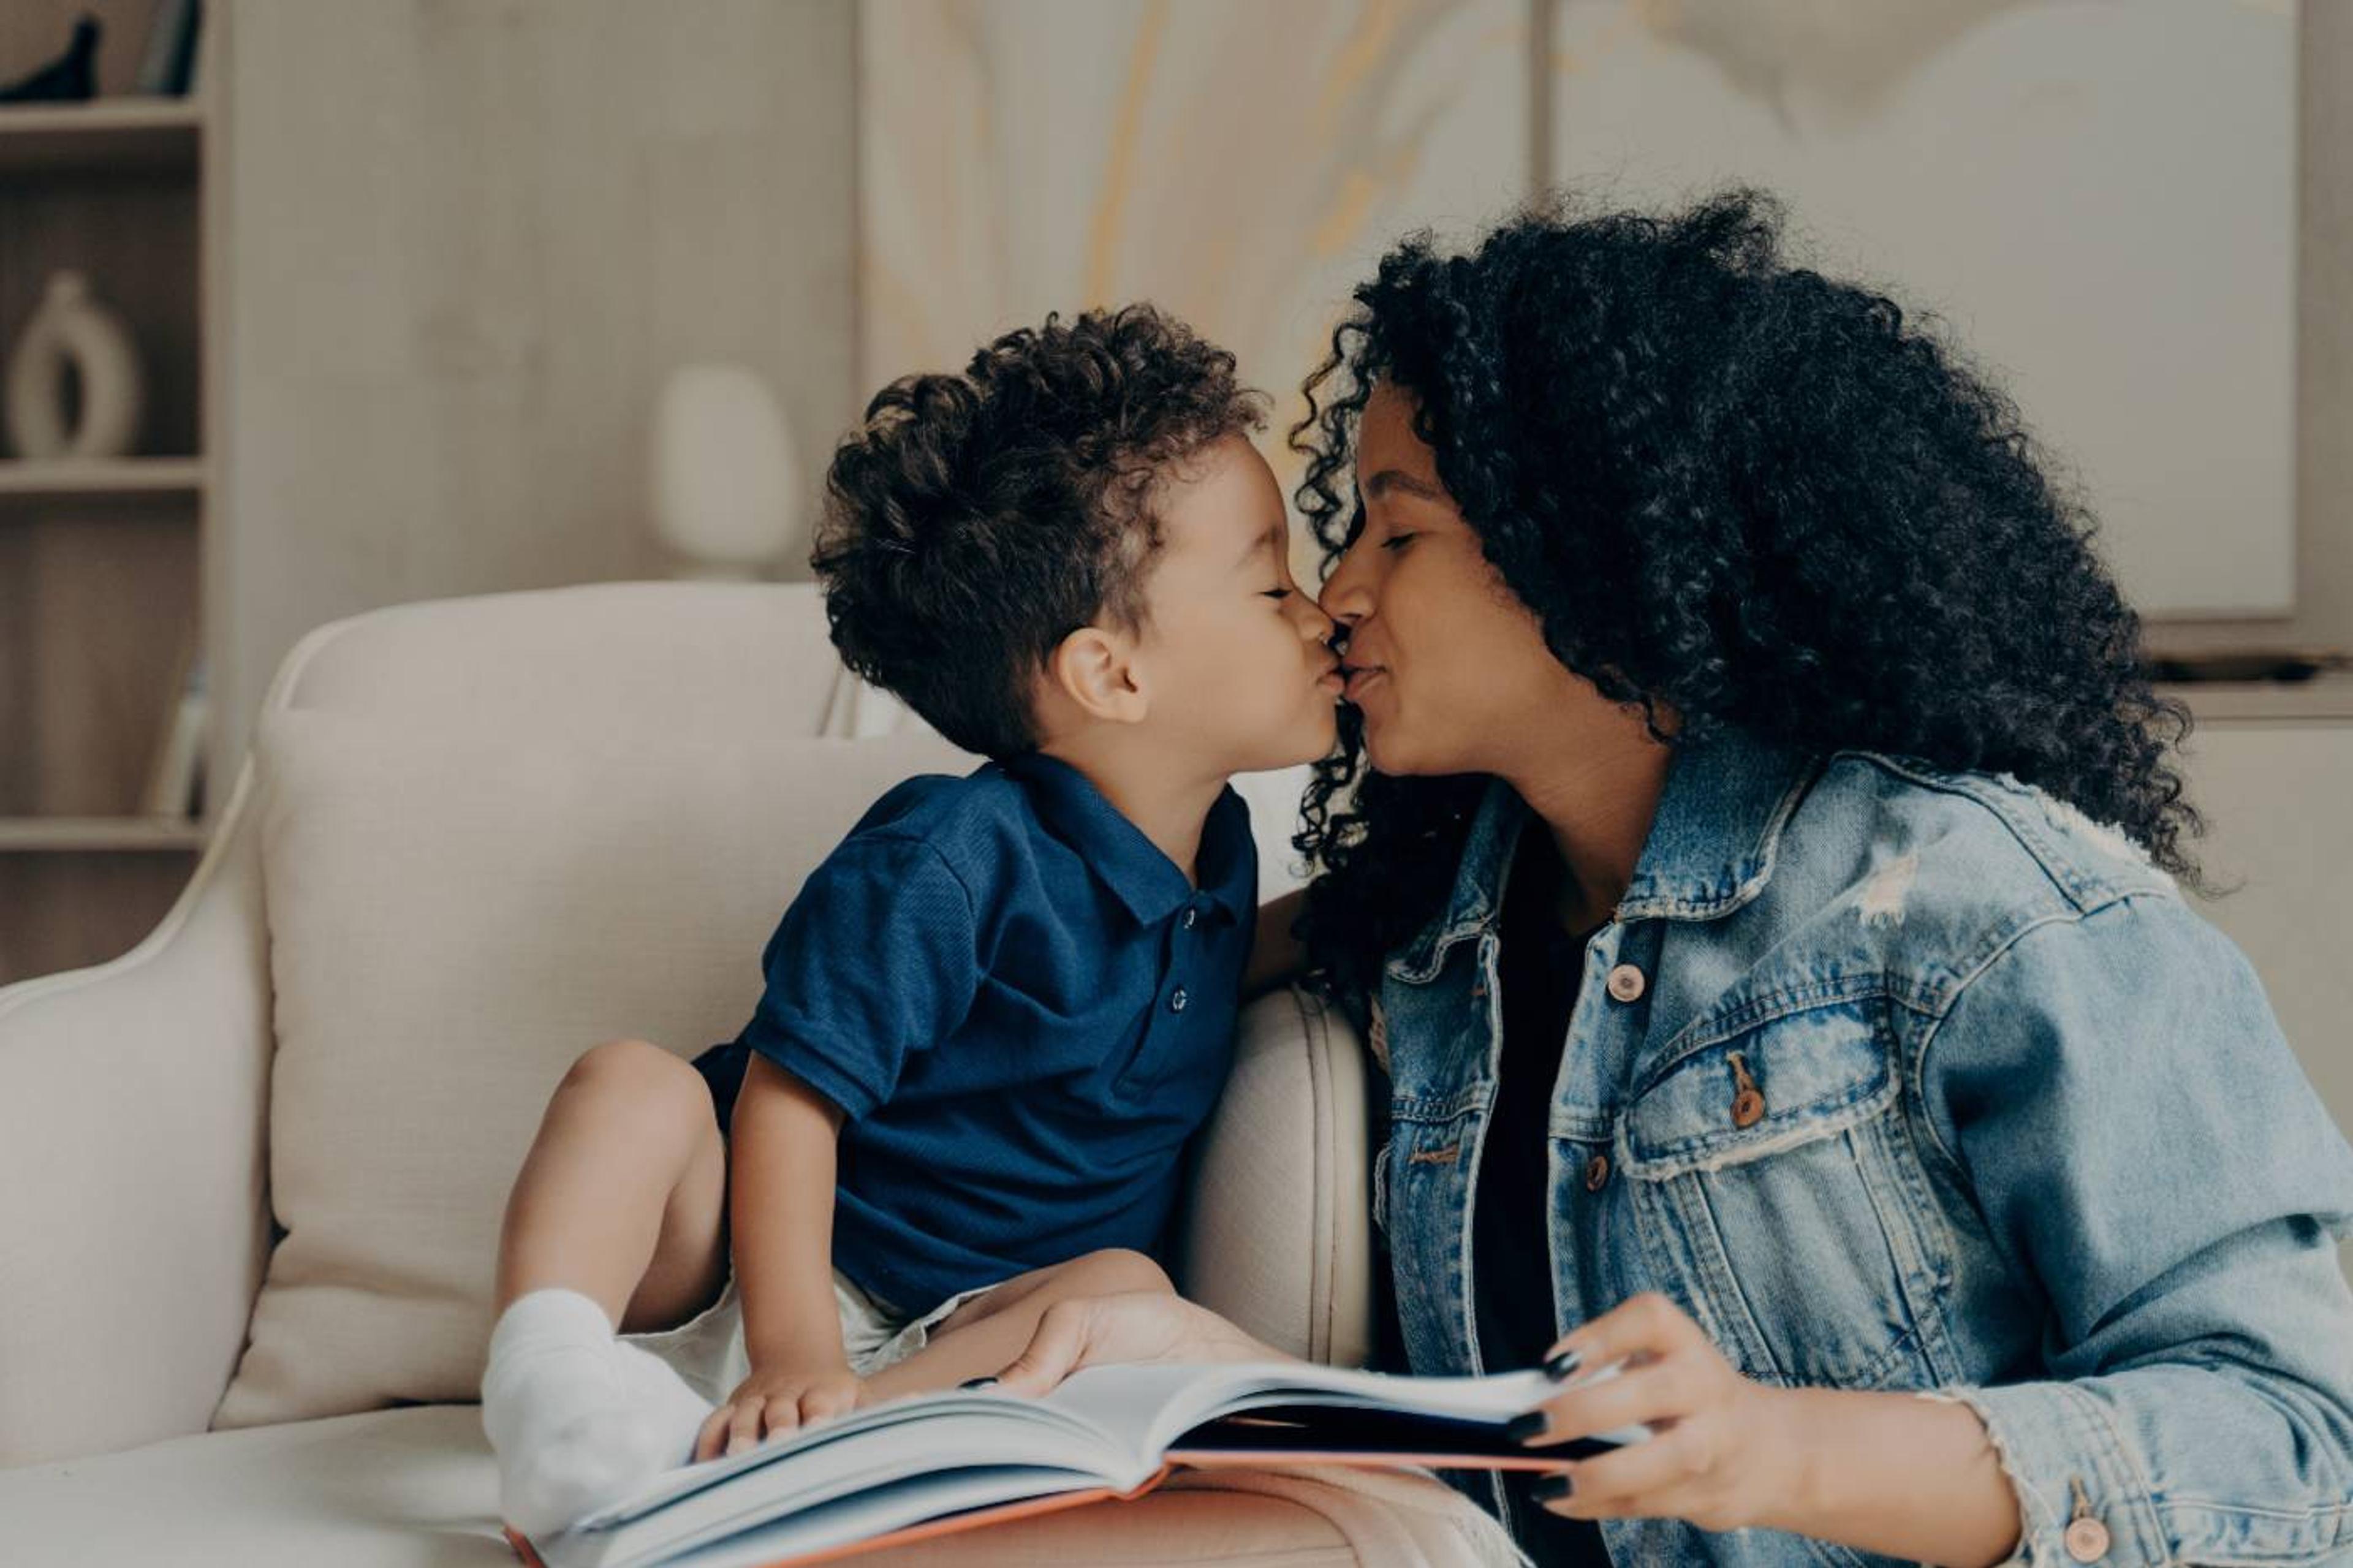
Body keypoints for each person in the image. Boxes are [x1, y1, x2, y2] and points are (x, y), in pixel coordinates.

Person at [991, 192, 2353, 1567]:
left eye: (1397, 533)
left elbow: (2301, 1450)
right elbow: (1539, 1476)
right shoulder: (1438, 946)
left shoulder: (1991, 910)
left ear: (1592, 555)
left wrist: (1785, 1449)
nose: (1337, 590)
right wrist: (1227, 1371)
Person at [477, 304, 1343, 1536]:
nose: (1319, 614)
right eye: (1272, 582)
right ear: (1112, 673)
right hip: (746, 1262)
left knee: (1122, 1288)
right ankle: (552, 1378)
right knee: (632, 1087)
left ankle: (814, 1450)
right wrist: (789, 1347)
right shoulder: (953, 854)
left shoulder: (1216, 851)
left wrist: (1358, 916)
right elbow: (788, 1100)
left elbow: (1198, 969)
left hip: (961, 1323)